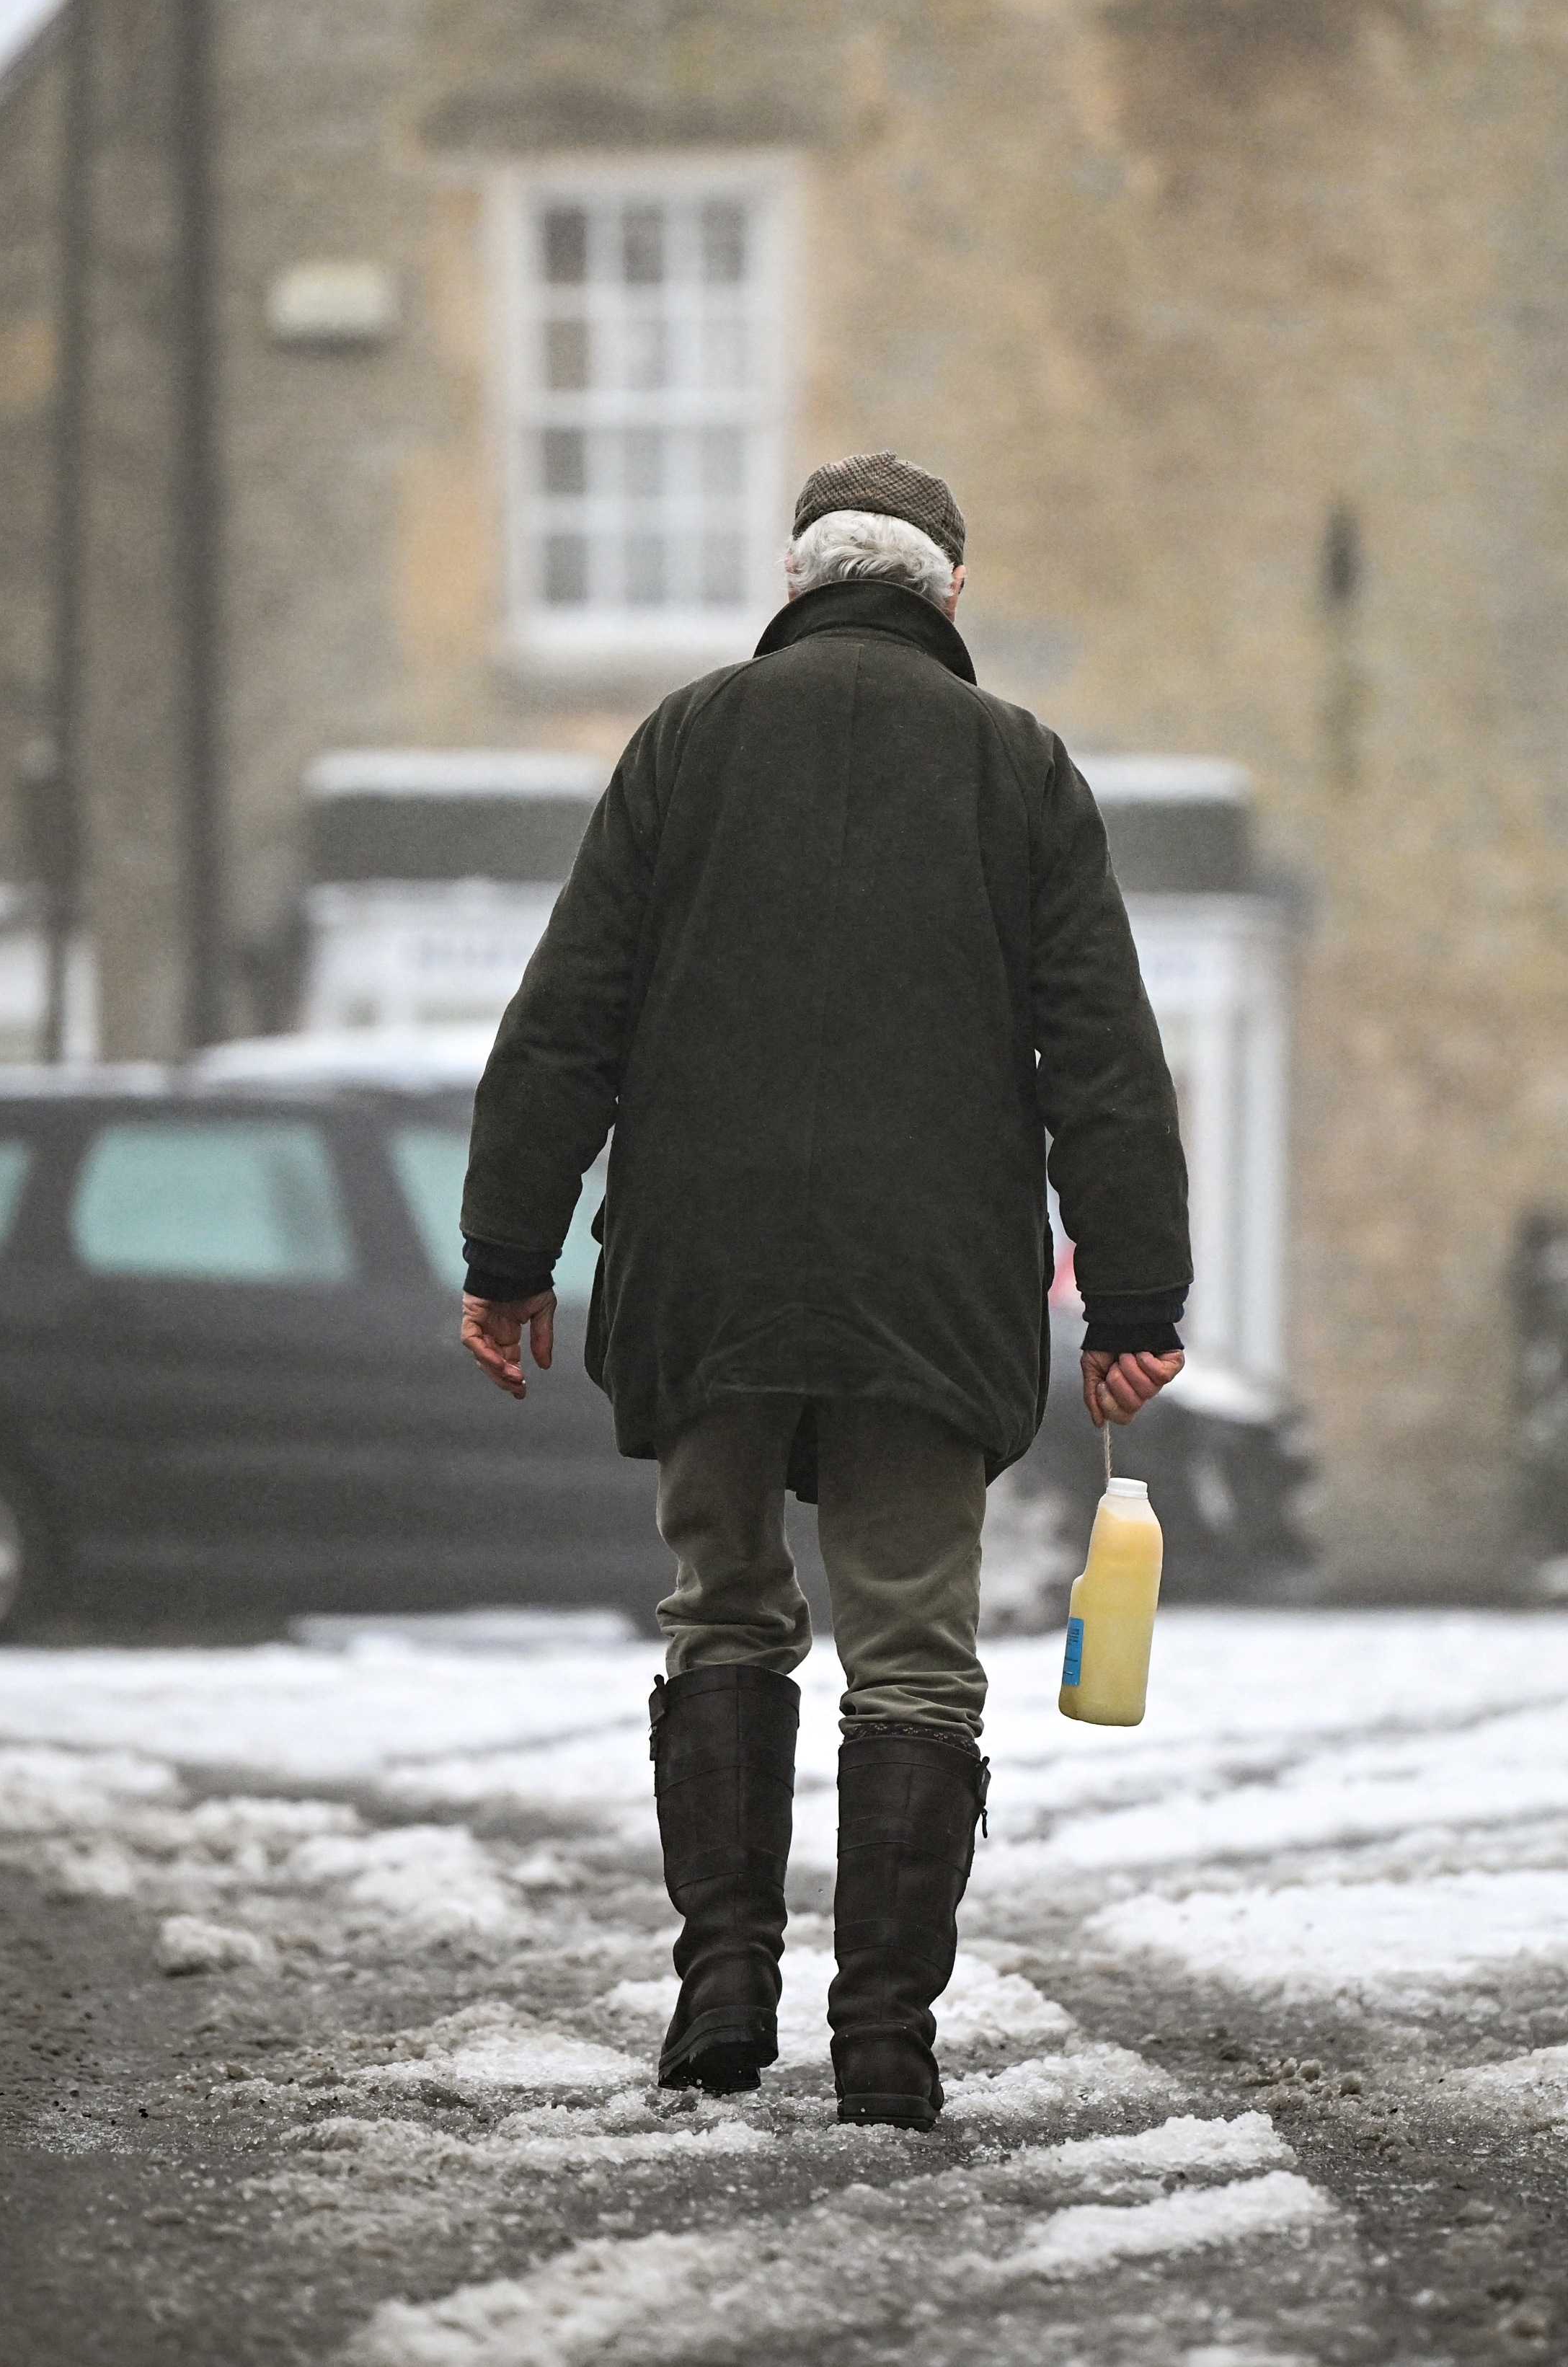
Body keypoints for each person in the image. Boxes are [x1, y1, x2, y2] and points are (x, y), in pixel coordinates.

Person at [458, 451, 1190, 2132]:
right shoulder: (1019, 770)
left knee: (723, 1609)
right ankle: (886, 2038)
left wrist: (510, 1259)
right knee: (914, 1652)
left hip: (705, 1275)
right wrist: (1136, 1300)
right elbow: (1103, 1059)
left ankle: (722, 1984)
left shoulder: (683, 746)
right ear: (946, 598)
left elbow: (563, 1022)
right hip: (927, 1291)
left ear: (795, 587)